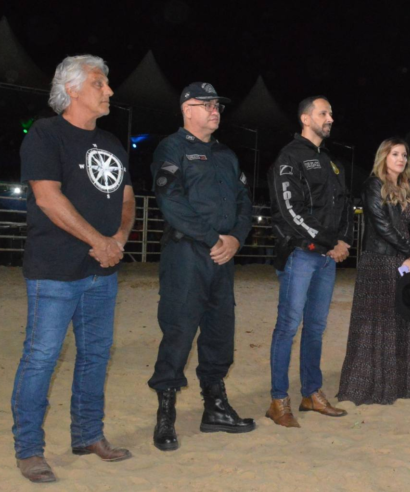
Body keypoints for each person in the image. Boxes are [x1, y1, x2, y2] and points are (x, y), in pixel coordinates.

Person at [11, 55, 135, 483]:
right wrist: (98, 242)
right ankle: (29, 450)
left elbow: (127, 198)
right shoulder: (45, 135)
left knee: (96, 355)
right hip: (54, 271)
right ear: (73, 89)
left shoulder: (113, 144)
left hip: (103, 270)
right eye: (100, 84)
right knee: (41, 357)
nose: (109, 91)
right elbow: (47, 198)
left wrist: (117, 239)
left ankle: (87, 435)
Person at [148, 82, 255, 451]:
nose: (215, 110)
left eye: (218, 105)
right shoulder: (172, 148)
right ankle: (166, 414)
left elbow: (244, 201)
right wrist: (214, 239)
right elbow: (171, 201)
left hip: (223, 257)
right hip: (187, 255)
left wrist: (236, 240)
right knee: (179, 331)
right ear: (186, 109)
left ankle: (216, 408)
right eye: (206, 104)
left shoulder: (226, 154)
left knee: (219, 333)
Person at [267, 96, 353, 427]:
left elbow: (344, 207)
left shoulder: (331, 162)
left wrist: (340, 242)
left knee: (316, 327)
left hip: (326, 258)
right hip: (300, 254)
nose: (330, 118)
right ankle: (278, 400)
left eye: (331, 112)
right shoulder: (289, 157)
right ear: (305, 119)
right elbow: (290, 211)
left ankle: (311, 393)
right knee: (288, 327)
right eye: (323, 113)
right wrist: (329, 242)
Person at [337, 138, 410, 405]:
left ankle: (400, 385)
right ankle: (371, 387)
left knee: (402, 320)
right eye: (394, 154)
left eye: (404, 155)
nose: (400, 159)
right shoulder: (373, 185)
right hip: (379, 261)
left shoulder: (406, 188)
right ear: (383, 157)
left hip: (403, 261)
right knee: (377, 325)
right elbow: (382, 225)